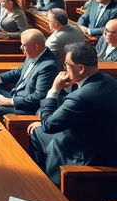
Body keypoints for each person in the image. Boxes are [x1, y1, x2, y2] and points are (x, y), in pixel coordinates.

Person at [28, 43, 117, 184]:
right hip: (106, 147)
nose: (64, 69)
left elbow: (48, 126)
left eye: (66, 65)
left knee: (37, 131)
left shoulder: (81, 97)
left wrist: (54, 90)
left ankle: (47, 183)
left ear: (81, 68)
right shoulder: (109, 81)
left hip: (83, 155)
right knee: (38, 130)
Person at [0, 29, 59, 120]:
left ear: (36, 46)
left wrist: (11, 101)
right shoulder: (33, 53)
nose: (21, 47)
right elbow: (19, 72)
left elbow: (38, 97)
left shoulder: (48, 66)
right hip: (16, 96)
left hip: (26, 108)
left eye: (24, 45)